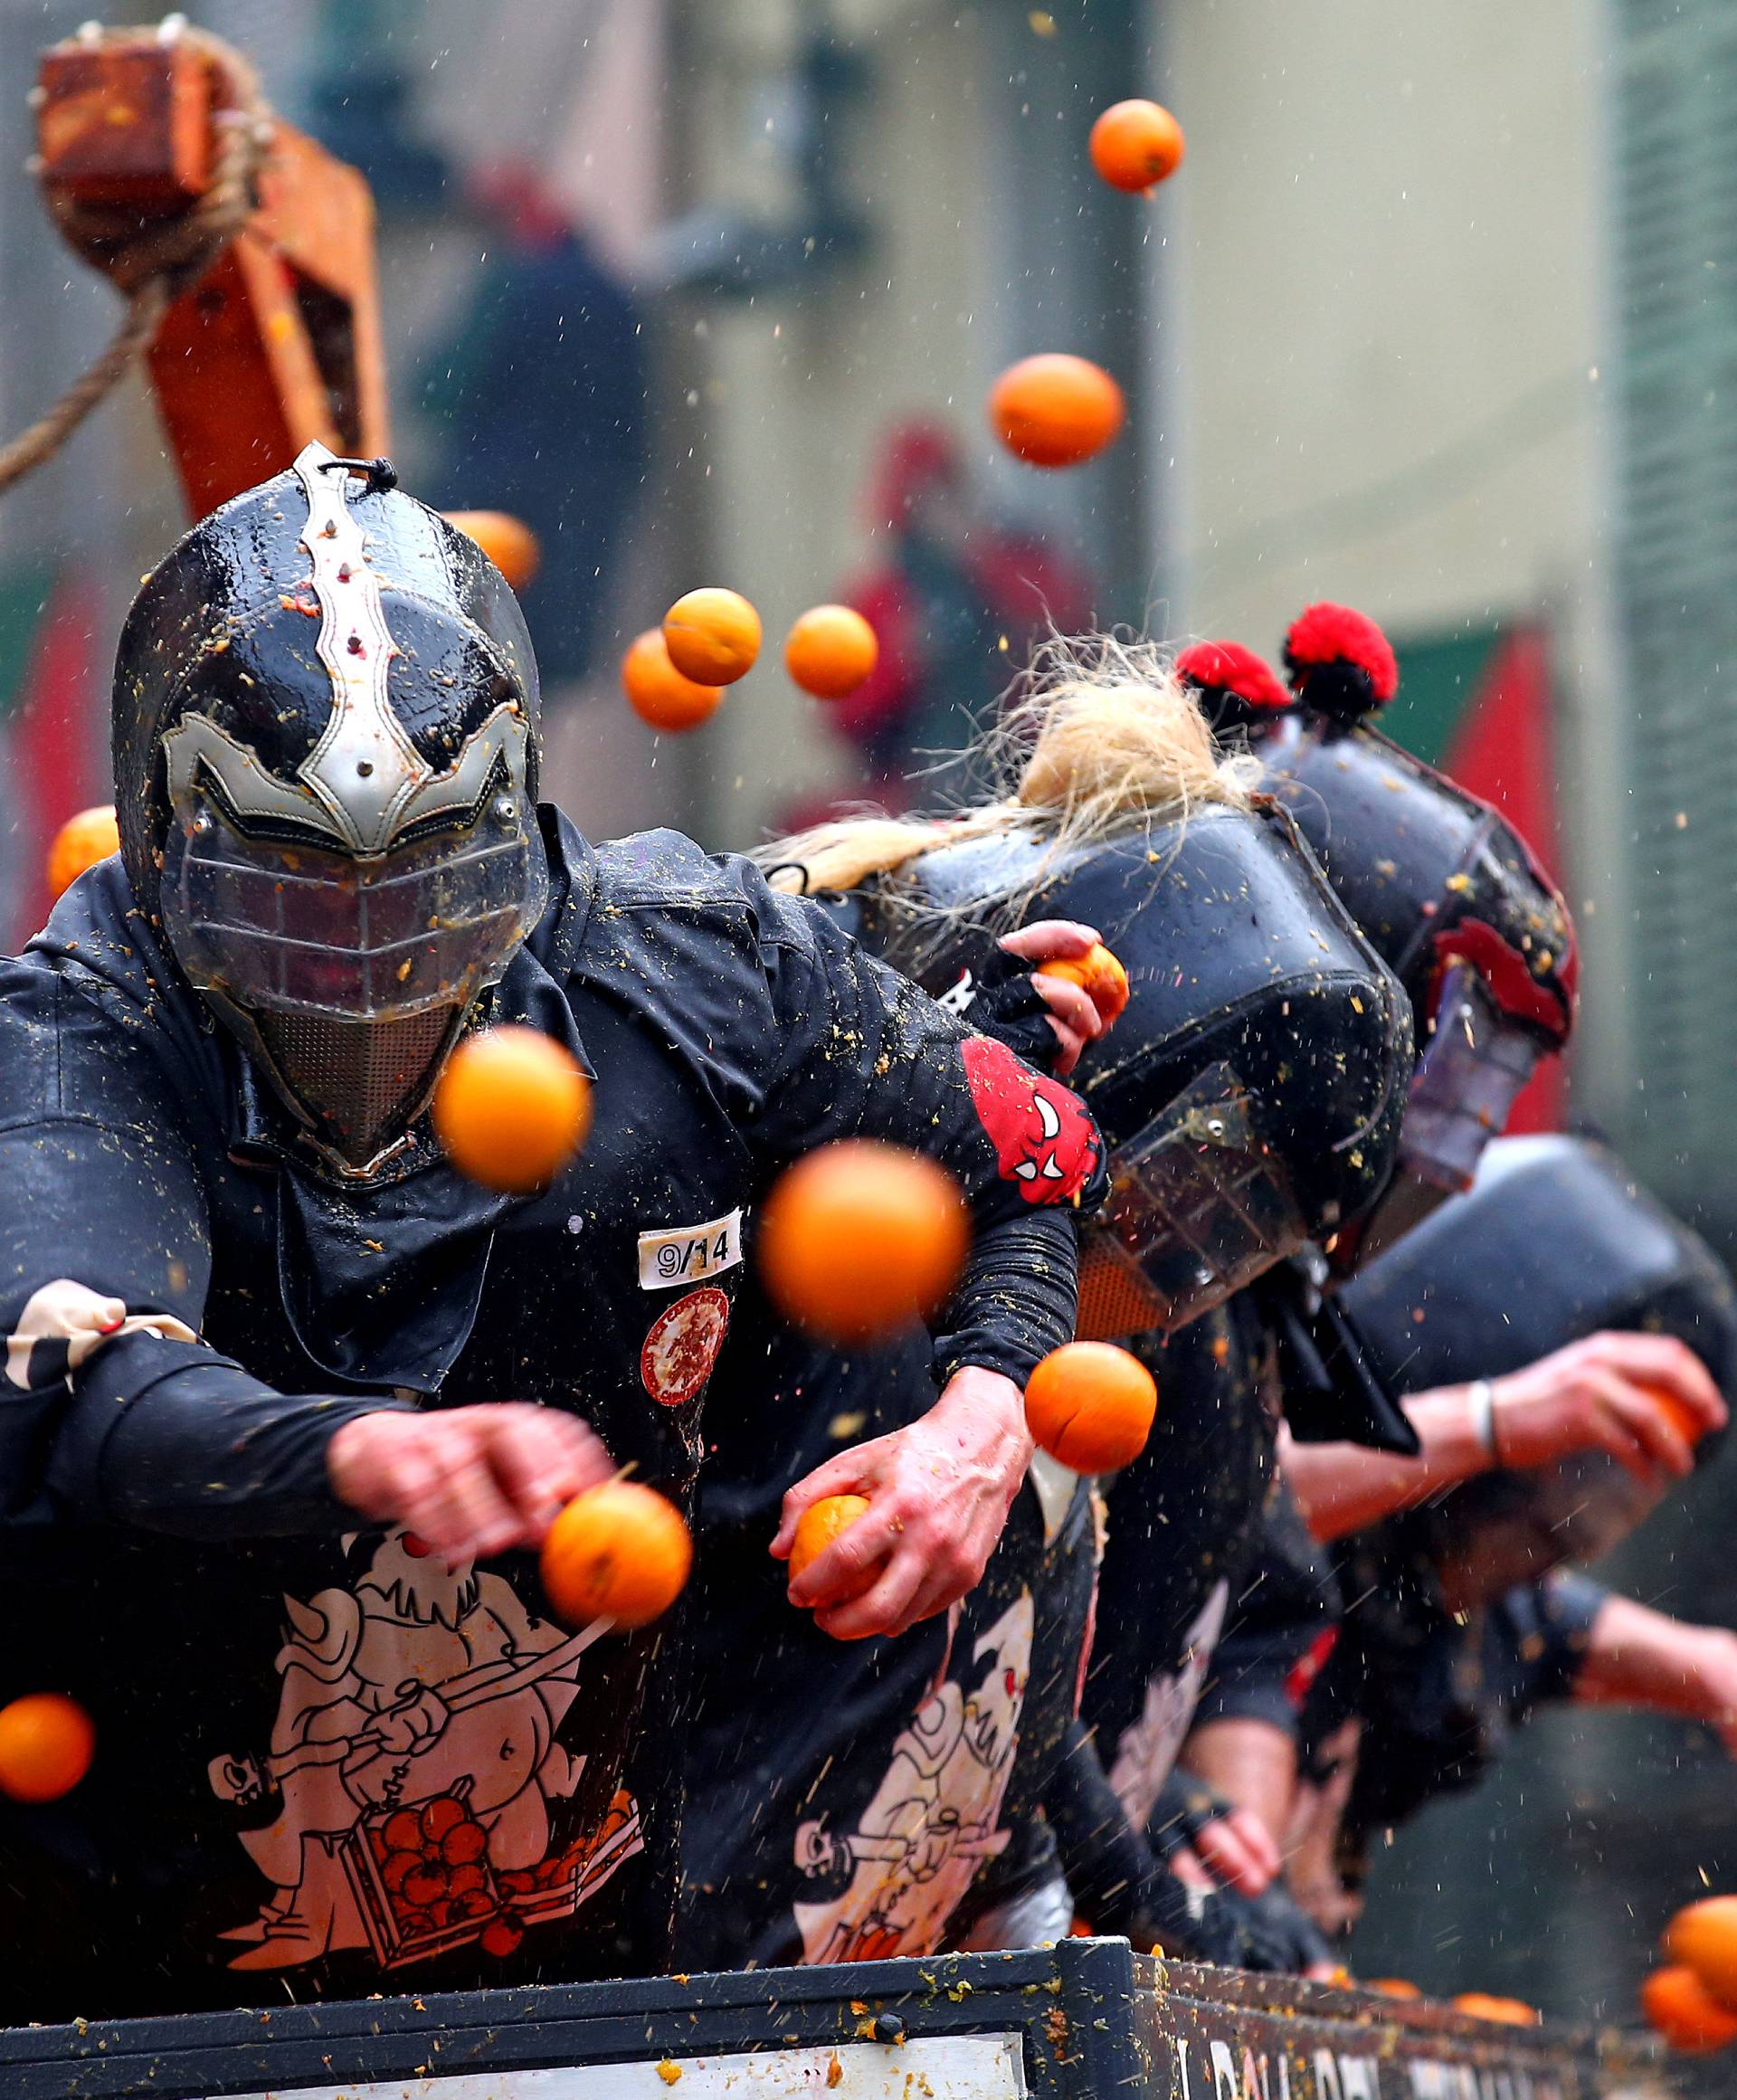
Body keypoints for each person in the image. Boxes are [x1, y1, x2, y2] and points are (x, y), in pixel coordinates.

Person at [0, 443, 1104, 2021]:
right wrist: (354, 1457)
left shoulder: (697, 964)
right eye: (301, 899)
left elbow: (1030, 1155)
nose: (371, 967)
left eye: (425, 889)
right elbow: (82, 1380)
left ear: (512, 823)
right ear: (171, 849)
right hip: (122, 1984)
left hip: (597, 1966)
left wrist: (985, 1414)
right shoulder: (78, 1026)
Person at [675, 640, 1415, 1972]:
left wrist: (1143, 1905)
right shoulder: (738, 1056)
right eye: (1194, 1181)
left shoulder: (1050, 1372)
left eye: (1239, 1224)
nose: (1182, 1249)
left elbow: (1008, 1689)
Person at [822, 421, 1095, 807]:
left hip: (1023, 776)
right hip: (917, 789)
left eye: (943, 494)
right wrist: (904, 663)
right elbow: (848, 718)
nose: (935, 513)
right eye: (922, 500)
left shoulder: (1011, 568)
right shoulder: (883, 600)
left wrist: (981, 570)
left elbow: (1070, 643)